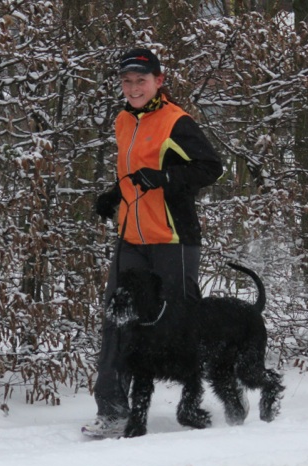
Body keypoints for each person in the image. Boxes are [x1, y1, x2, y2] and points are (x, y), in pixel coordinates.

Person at [82, 47, 223, 438]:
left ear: (158, 81)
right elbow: (135, 169)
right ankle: (112, 411)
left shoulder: (177, 121)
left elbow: (211, 167)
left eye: (140, 81)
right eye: (126, 81)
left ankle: (192, 404)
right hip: (131, 237)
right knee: (117, 318)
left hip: (172, 239)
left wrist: (164, 180)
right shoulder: (123, 121)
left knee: (181, 323)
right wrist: (116, 194)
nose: (133, 88)